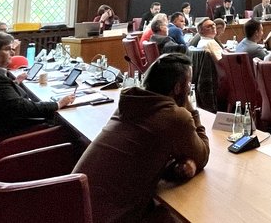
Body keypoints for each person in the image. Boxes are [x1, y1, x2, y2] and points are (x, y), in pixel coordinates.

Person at [74, 53, 210, 223]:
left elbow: (141, 155)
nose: (189, 89)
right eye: (188, 84)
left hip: (75, 206)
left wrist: (176, 168)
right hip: (109, 216)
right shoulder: (174, 116)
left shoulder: (130, 103)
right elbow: (203, 155)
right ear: (178, 88)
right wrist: (193, 111)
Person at [0, 32, 75, 137]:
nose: (12, 53)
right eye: (7, 49)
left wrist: (15, 83)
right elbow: (21, 108)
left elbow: (4, 100)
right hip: (7, 136)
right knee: (68, 129)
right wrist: (58, 104)